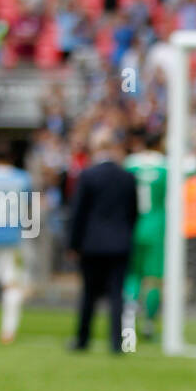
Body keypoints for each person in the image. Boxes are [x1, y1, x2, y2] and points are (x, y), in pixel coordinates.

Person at [68, 127, 138, 352]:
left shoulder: (88, 175)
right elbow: (134, 212)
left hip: (92, 244)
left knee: (89, 293)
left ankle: (82, 339)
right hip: (120, 243)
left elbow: (78, 212)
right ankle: (116, 343)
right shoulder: (127, 176)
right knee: (117, 294)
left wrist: (73, 243)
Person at [124, 137, 167, 341]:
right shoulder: (166, 168)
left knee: (133, 276)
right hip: (157, 228)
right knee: (154, 280)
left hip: (133, 226)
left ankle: (128, 324)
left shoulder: (130, 165)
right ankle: (149, 324)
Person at [0, 152, 34, 344]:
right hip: (12, 236)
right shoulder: (22, 178)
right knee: (11, 285)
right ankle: (8, 331)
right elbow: (30, 209)